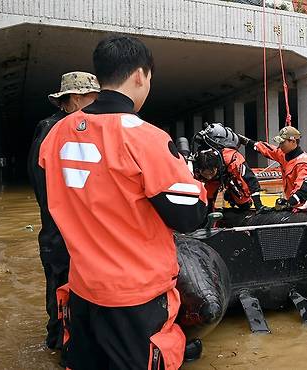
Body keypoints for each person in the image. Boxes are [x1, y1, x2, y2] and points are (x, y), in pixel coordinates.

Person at [39, 34, 208, 369]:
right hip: (136, 297)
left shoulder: (56, 133)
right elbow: (190, 217)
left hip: (84, 289)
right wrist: (191, 179)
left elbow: (50, 198)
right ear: (140, 75)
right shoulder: (145, 137)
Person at [26, 71, 100, 351]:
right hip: (60, 236)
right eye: (93, 98)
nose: (97, 106)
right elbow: (43, 185)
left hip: (77, 236)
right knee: (61, 292)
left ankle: (75, 343)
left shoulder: (78, 128)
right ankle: (59, 345)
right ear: (76, 99)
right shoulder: (52, 129)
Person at [240, 126, 307, 209]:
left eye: (282, 143)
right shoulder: (283, 154)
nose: (280, 146)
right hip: (295, 202)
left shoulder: (304, 163)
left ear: (293, 141)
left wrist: (288, 203)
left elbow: (305, 189)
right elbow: (268, 149)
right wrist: (247, 142)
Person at [194, 145, 264, 212]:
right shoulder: (195, 168)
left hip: (230, 172)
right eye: (205, 174)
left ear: (216, 167)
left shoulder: (233, 159)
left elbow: (250, 180)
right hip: (213, 180)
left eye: (211, 173)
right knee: (207, 198)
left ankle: (230, 194)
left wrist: (258, 205)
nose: (209, 176)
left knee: (244, 204)